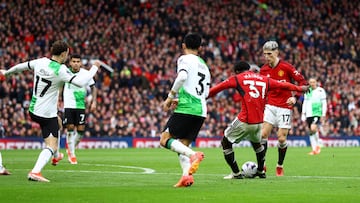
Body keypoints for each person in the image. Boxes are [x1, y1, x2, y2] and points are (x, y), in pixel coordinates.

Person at [0, 40, 100, 182]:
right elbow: (81, 82)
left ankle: (56, 155)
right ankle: (36, 171)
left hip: (33, 109)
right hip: (46, 114)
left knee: (59, 123)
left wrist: (6, 73)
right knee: (51, 145)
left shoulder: (41, 61)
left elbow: (21, 67)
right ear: (64, 54)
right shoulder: (61, 70)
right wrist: (94, 68)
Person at [208, 61, 308, 179]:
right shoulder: (264, 79)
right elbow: (284, 85)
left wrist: (202, 97)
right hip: (259, 122)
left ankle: (236, 173)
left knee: (225, 142)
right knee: (257, 144)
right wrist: (299, 88)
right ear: (249, 69)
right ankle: (261, 171)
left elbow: (217, 88)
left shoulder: (237, 78)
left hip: (244, 120)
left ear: (237, 71)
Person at [159, 33, 210, 187]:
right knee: (183, 145)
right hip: (201, 110)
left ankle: (193, 155)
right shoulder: (204, 65)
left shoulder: (184, 59)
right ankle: (186, 177)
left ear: (183, 46)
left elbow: (181, 77)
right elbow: (205, 93)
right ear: (200, 48)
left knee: (164, 139)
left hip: (187, 108)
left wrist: (170, 97)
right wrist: (179, 99)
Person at [259, 40, 307, 176]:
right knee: (263, 134)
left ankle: (279, 165)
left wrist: (295, 97)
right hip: (270, 105)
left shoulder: (287, 67)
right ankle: (262, 165)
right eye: (265, 54)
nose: (267, 57)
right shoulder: (263, 70)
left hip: (285, 106)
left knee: (281, 138)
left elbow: (303, 83)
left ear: (276, 52)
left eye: (269, 54)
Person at [62, 54, 97, 164]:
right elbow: (58, 85)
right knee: (70, 128)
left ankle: (71, 147)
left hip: (80, 105)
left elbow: (93, 87)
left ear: (80, 63)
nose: (76, 63)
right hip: (68, 105)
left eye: (78, 61)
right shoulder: (65, 72)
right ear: (70, 63)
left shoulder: (86, 74)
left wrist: (94, 101)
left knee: (81, 131)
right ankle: (72, 154)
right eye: (74, 61)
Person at [301, 77, 327, 155]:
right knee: (311, 131)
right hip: (309, 114)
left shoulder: (321, 90)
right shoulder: (307, 91)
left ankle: (318, 144)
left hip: (317, 113)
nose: (312, 83)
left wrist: (323, 114)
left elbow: (324, 103)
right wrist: (303, 113)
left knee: (313, 127)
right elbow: (305, 102)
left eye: (313, 82)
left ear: (316, 82)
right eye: (310, 82)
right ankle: (314, 149)